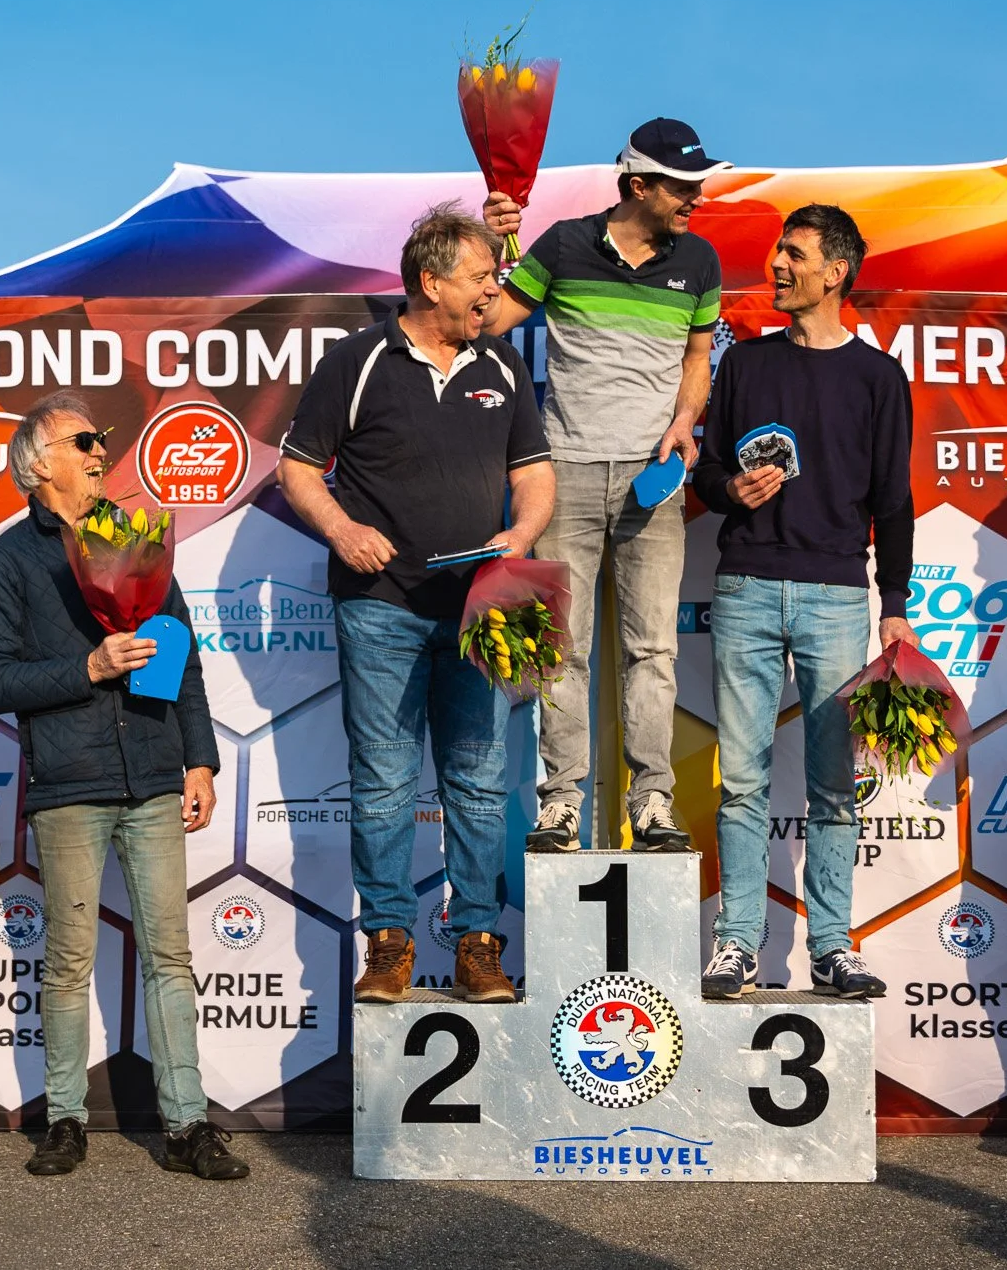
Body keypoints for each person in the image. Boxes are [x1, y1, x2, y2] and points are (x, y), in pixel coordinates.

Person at [0, 390, 245, 1181]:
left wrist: (200, 758)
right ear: (37, 464)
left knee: (170, 956)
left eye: (101, 441)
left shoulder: (137, 537)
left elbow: (181, 652)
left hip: (155, 776)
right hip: (70, 784)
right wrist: (85, 667)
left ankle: (187, 1125)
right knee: (68, 960)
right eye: (84, 441)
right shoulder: (7, 560)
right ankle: (63, 1119)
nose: (99, 453)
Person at [279, 202, 554, 1006]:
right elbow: (297, 467)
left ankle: (477, 943)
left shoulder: (501, 366)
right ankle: (390, 943)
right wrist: (340, 527)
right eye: (479, 278)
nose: (491, 293)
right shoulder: (357, 360)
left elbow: (533, 477)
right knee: (387, 778)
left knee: (477, 777)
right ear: (431, 281)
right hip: (379, 604)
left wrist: (522, 534)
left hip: (479, 608)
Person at [691, 204, 916, 1002]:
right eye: (778, 251)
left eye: (795, 254)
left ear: (837, 271)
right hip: (746, 583)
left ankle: (831, 946)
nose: (777, 265)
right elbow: (706, 472)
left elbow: (894, 500)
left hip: (835, 595)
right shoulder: (745, 366)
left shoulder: (880, 377)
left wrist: (894, 600)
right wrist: (730, 488)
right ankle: (736, 946)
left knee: (832, 784)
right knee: (743, 779)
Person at [482, 117, 725, 854]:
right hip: (566, 474)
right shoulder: (560, 244)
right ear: (638, 184)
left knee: (653, 649)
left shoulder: (700, 261)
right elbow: (490, 321)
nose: (695, 198)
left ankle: (651, 802)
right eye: (683, 186)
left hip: (654, 479)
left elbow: (695, 357)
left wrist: (687, 417)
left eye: (698, 185)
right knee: (563, 648)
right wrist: (496, 240)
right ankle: (560, 802)